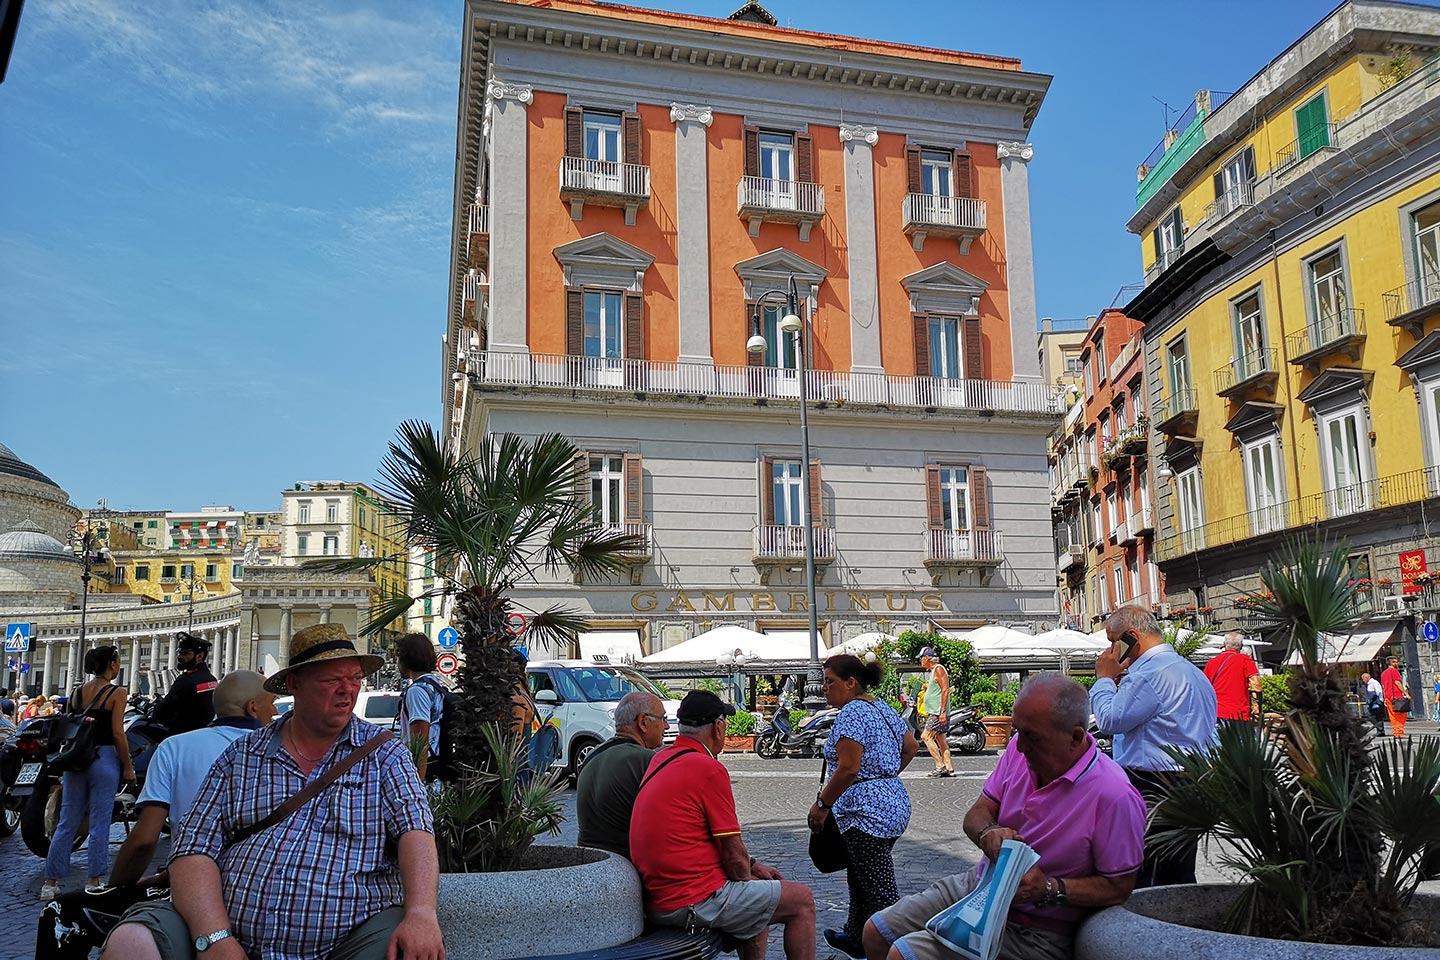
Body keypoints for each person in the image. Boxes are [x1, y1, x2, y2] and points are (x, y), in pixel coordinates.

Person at [99, 623, 443, 960]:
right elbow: (193, 848)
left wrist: (422, 913)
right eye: (331, 680)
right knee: (131, 943)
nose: (347, 690)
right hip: (227, 929)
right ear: (294, 685)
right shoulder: (243, 754)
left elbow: (417, 832)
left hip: (347, 939)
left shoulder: (385, 754)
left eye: (354, 679)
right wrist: (214, 938)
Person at [864, 674, 1145, 960]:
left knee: (903, 954)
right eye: (1016, 732)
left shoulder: (1114, 795)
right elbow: (976, 815)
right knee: (876, 932)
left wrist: (1047, 889)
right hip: (982, 886)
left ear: (1075, 737)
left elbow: (1118, 887)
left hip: (1039, 929)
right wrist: (988, 832)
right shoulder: (1020, 750)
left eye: (1032, 737)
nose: (1019, 746)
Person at [36, 671, 278, 960]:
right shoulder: (283, 751)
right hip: (265, 893)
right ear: (253, 707)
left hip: (190, 890)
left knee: (60, 912)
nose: (275, 710)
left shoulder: (175, 747)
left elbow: (143, 840)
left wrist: (116, 890)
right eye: (272, 702)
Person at [630, 690, 817, 960]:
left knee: (758, 897)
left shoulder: (661, 759)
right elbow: (733, 857)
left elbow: (734, 859)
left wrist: (753, 869)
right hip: (690, 901)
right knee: (802, 900)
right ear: (717, 727)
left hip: (659, 896)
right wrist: (748, 874)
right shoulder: (708, 769)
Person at [1090, 606, 1217, 888]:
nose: (1112, 649)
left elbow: (1110, 720)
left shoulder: (1148, 674)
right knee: (1179, 871)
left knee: (1147, 871)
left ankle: (1148, 928)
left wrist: (1103, 679)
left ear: (1132, 636)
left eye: (1115, 641)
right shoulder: (1193, 672)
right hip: (1191, 779)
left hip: (1152, 783)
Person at [808, 655, 919, 958]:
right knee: (860, 873)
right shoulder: (881, 706)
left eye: (830, 682)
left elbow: (848, 769)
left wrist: (822, 804)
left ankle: (903, 949)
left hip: (866, 813)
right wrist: (886, 774)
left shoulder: (852, 712)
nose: (824, 688)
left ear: (851, 683)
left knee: (880, 888)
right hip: (893, 802)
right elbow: (911, 746)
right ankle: (856, 935)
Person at [41, 646, 136, 902]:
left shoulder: (77, 692)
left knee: (67, 821)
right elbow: (118, 732)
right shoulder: (117, 692)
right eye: (117, 662)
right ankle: (93, 881)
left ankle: (50, 882)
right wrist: (127, 766)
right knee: (99, 821)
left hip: (76, 759)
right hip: (104, 757)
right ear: (112, 664)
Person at [576, 690, 665, 858]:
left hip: (588, 858)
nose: (666, 726)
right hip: (624, 863)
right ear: (643, 722)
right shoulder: (646, 760)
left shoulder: (592, 754)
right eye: (663, 719)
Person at [395, 633, 445, 779]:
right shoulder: (435, 685)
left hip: (425, 774)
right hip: (436, 770)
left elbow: (420, 742)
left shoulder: (417, 691)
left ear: (406, 659)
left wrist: (418, 784)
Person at [151, 632, 216, 735]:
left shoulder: (186, 681)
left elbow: (163, 709)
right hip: (203, 732)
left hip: (181, 734)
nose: (180, 657)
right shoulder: (212, 679)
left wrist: (155, 709)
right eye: (179, 653)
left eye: (185, 654)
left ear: (200, 656)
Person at [1202, 632, 1261, 722]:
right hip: (1239, 714)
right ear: (1241, 646)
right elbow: (1256, 685)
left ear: (1224, 644)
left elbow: (1204, 688)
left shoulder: (1211, 663)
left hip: (1216, 713)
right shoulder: (1245, 661)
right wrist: (1257, 706)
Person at [916, 647, 953, 779]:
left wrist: (942, 711)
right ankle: (948, 767)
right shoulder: (934, 671)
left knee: (926, 737)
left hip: (937, 712)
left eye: (921, 658)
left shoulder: (938, 669)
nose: (920, 661)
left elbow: (945, 690)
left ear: (926, 658)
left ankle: (940, 766)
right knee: (941, 738)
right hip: (938, 711)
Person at [1381, 655, 1409, 738]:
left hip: (1387, 696)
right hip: (1396, 695)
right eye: (1395, 662)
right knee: (1401, 713)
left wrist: (1384, 698)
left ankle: (1396, 730)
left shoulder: (1383, 673)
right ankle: (1399, 730)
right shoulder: (1394, 671)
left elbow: (1383, 686)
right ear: (1391, 663)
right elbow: (1397, 683)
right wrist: (1405, 693)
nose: (1396, 663)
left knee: (1392, 714)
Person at [1361, 672, 1387, 737]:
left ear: (1367, 678)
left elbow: (1377, 692)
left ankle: (1380, 729)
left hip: (1376, 702)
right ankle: (1380, 730)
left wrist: (1372, 700)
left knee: (1371, 716)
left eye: (1363, 679)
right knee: (1377, 717)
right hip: (1375, 702)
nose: (1363, 681)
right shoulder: (1370, 683)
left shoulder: (1373, 683)